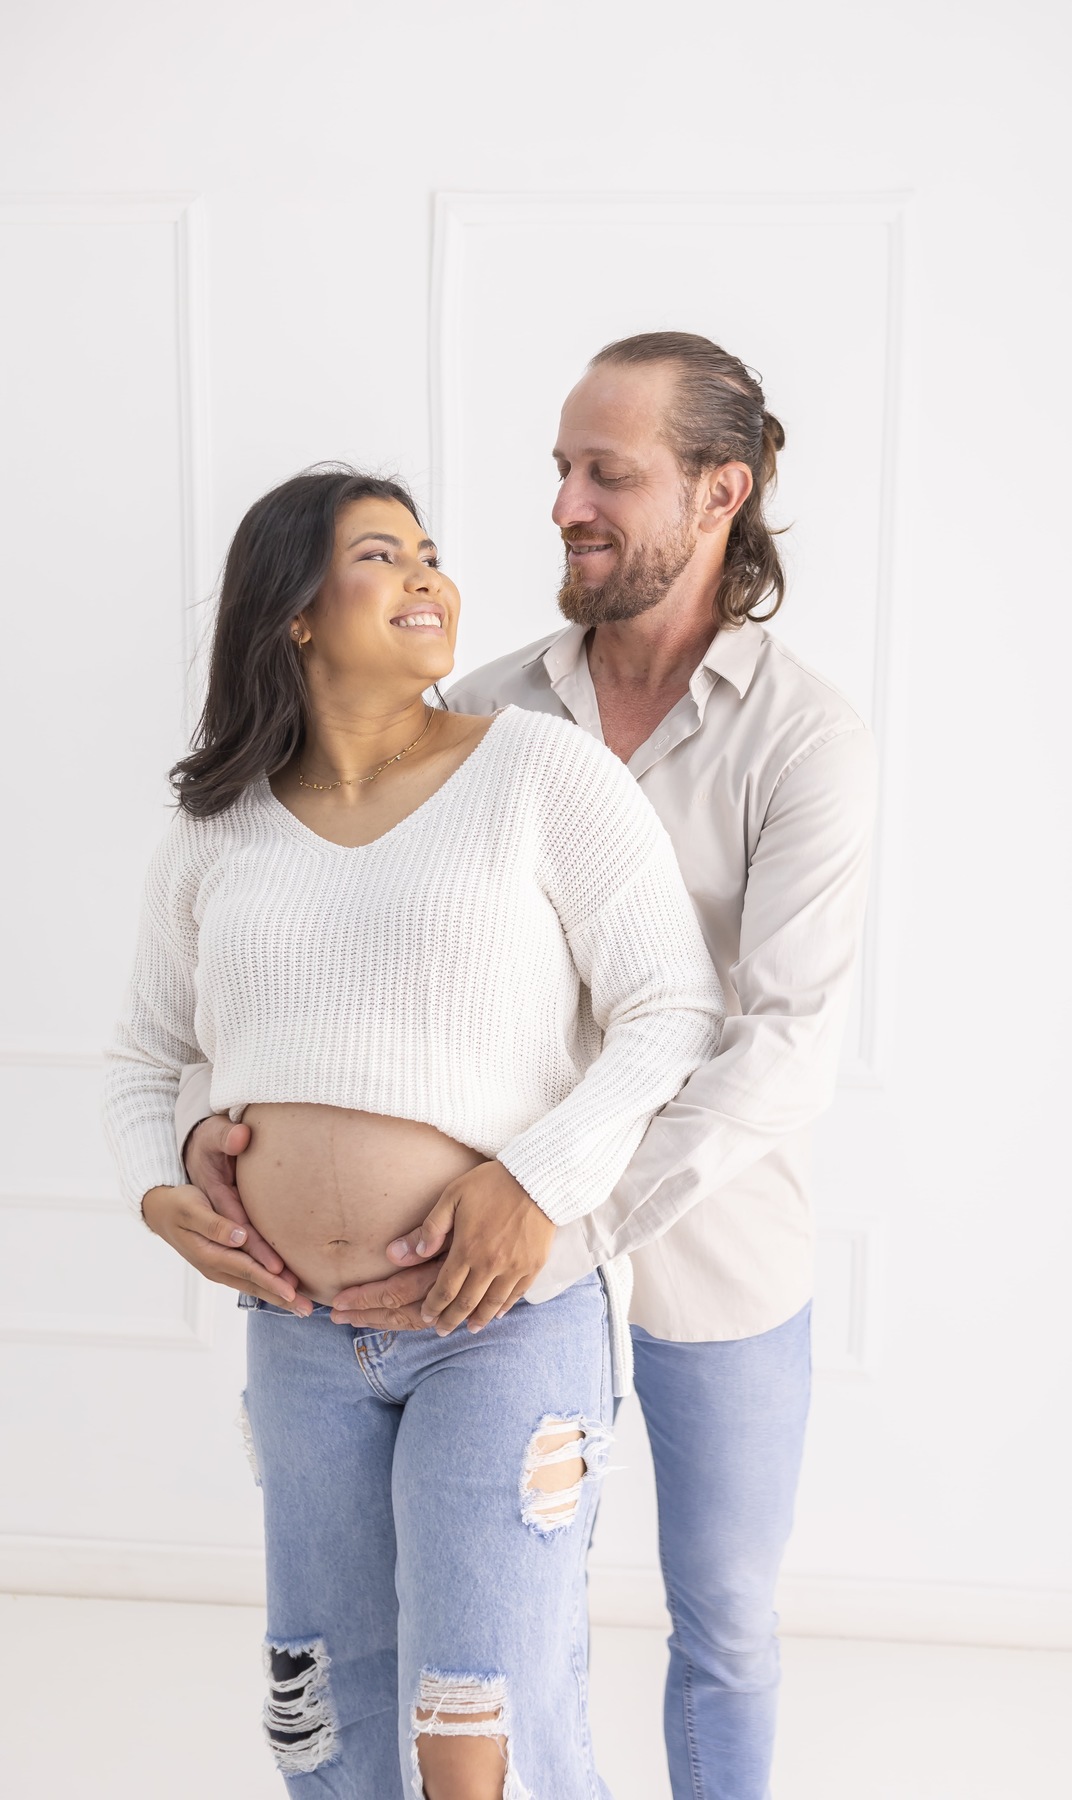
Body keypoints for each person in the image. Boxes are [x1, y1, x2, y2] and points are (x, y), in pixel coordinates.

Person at [181, 332, 878, 1800]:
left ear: (718, 494)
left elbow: (784, 1039)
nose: (565, 502)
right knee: (489, 1647)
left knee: (726, 1619)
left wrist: (559, 1213)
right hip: (445, 1270)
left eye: (607, 473)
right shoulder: (488, 708)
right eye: (560, 469)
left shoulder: (801, 736)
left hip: (695, 1242)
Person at [104, 466, 724, 1799]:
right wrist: (161, 1187)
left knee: (479, 1724)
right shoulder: (218, 821)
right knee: (324, 1712)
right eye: (383, 556)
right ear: (295, 615)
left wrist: (534, 1184)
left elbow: (673, 1010)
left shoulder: (539, 773)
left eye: (433, 554)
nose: (432, 578)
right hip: (301, 1339)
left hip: (505, 1325)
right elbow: (147, 1055)